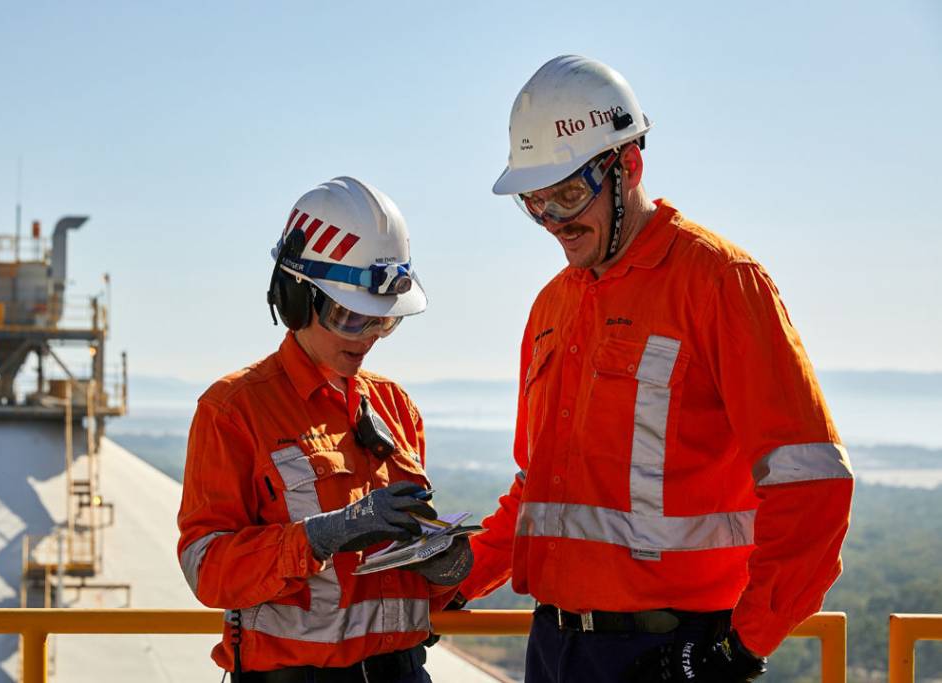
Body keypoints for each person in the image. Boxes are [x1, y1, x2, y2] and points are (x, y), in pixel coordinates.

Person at [454, 55, 854, 683]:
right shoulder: (552, 307)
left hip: (671, 655)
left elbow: (813, 486)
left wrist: (738, 652)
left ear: (628, 165)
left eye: (567, 194)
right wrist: (452, 580)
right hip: (553, 649)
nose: (554, 222)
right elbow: (541, 493)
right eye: (536, 202)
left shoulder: (720, 283)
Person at [177, 176, 473, 683]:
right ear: (295, 298)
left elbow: (409, 589)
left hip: (402, 672)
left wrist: (442, 571)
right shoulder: (234, 410)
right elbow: (207, 569)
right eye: (349, 317)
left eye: (383, 321)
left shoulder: (396, 407)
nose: (369, 339)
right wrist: (324, 535)